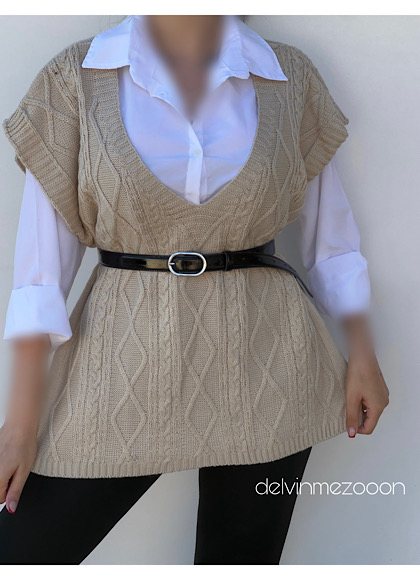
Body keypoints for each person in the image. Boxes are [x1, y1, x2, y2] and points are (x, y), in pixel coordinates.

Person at [0, 15, 389, 564]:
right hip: (121, 368)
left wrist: (363, 355)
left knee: (240, 562)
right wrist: (20, 422)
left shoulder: (287, 76)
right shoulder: (74, 80)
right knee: (21, 555)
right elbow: (40, 274)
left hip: (270, 364)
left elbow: (333, 244)